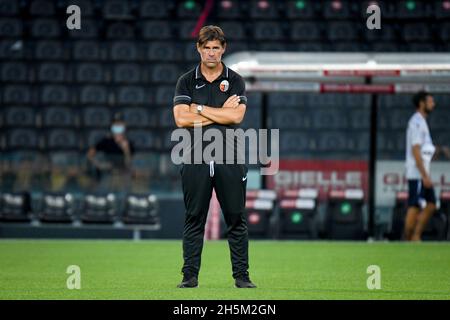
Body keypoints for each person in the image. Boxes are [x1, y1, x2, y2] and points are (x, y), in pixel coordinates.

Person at [172, 25, 256, 288]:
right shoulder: (186, 80)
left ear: (223, 49)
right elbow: (180, 119)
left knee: (236, 217)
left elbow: (236, 117)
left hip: (228, 156)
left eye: (216, 48)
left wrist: (197, 108)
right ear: (199, 48)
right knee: (194, 217)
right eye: (206, 48)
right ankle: (189, 277)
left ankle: (241, 277)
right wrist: (218, 111)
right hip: (195, 156)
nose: (211, 53)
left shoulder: (235, 80)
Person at [403, 91, 437, 241]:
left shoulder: (422, 122)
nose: (433, 104)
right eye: (430, 101)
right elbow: (415, 149)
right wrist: (424, 175)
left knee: (431, 204)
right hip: (417, 173)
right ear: (422, 103)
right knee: (415, 205)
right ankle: (408, 238)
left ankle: (416, 235)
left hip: (423, 172)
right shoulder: (416, 122)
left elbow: (425, 150)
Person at [87, 112, 135, 193]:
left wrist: (126, 150)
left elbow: (129, 163)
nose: (117, 127)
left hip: (122, 175)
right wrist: (99, 165)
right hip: (107, 174)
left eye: (119, 124)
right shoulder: (106, 141)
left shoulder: (129, 143)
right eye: (115, 124)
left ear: (124, 126)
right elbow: (89, 154)